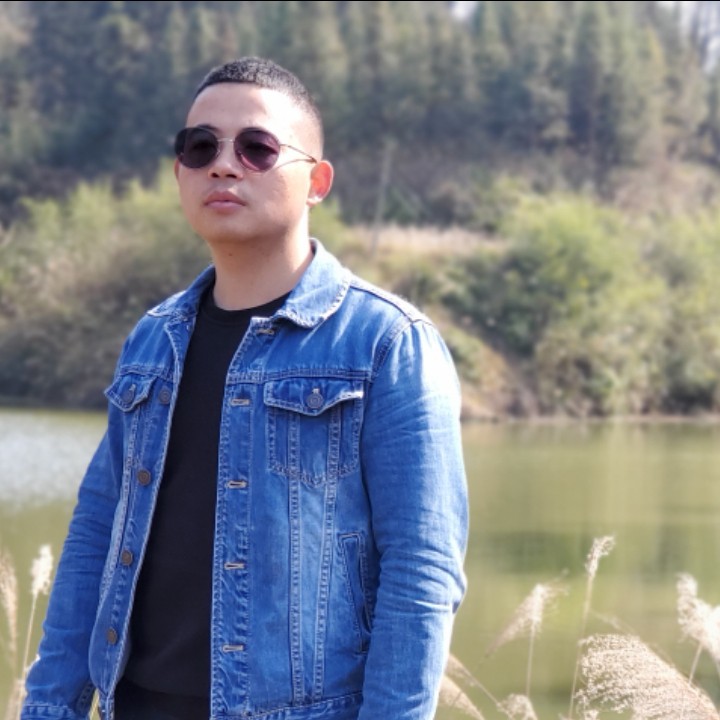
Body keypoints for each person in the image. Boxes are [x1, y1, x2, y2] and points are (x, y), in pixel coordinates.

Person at [21, 56, 469, 720]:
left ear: (316, 181)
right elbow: (96, 537)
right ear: (179, 172)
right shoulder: (154, 339)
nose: (223, 166)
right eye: (200, 147)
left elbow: (421, 573)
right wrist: (49, 707)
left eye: (257, 148)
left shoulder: (386, 343)